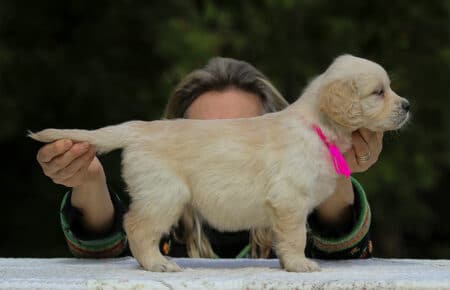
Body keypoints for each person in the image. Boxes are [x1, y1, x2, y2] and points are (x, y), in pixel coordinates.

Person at [36, 57, 380, 260]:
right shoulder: (167, 225)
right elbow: (107, 253)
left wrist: (338, 160)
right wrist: (89, 183)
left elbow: (340, 245)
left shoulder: (295, 199)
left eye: (241, 135)